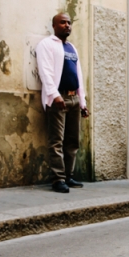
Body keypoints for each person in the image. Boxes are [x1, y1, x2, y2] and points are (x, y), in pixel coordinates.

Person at [35, 13, 89, 193]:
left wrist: (82, 101)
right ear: (54, 25)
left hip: (74, 98)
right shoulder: (46, 44)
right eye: (63, 22)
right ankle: (58, 179)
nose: (67, 25)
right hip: (58, 99)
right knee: (56, 141)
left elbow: (78, 75)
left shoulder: (72, 47)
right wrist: (54, 95)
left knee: (72, 141)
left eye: (69, 22)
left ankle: (68, 175)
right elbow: (45, 72)